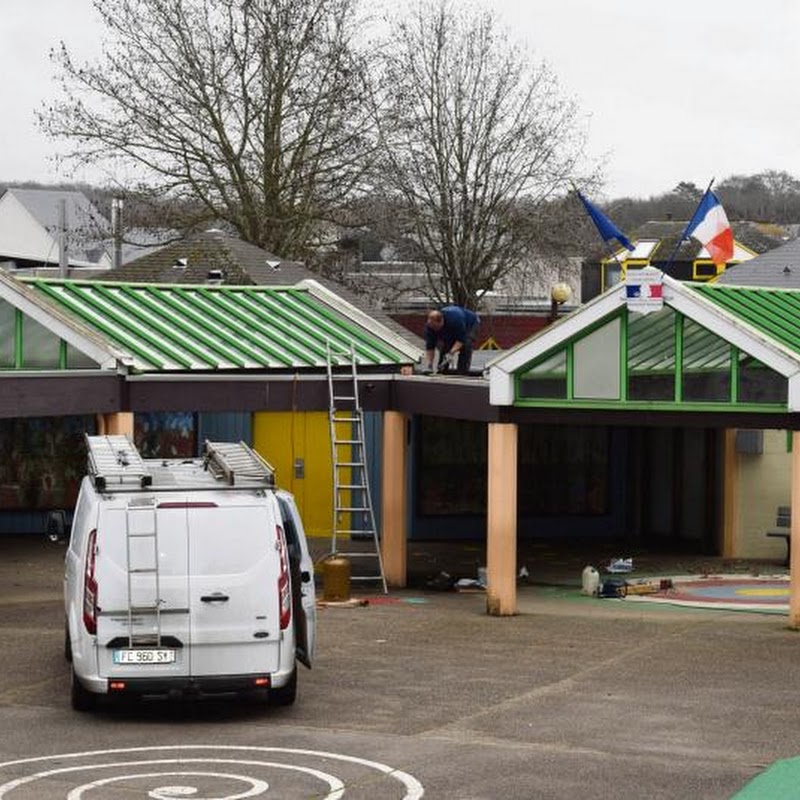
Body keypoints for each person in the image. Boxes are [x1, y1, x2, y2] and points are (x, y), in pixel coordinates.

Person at [423, 305, 480, 374]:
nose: (434, 330)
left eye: (435, 327)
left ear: (441, 321)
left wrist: (451, 353)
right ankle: (442, 370)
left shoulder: (455, 320)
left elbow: (461, 340)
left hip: (471, 323)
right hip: (453, 327)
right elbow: (430, 347)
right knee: (446, 346)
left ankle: (462, 371)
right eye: (432, 327)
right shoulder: (430, 327)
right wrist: (430, 365)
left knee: (466, 345)